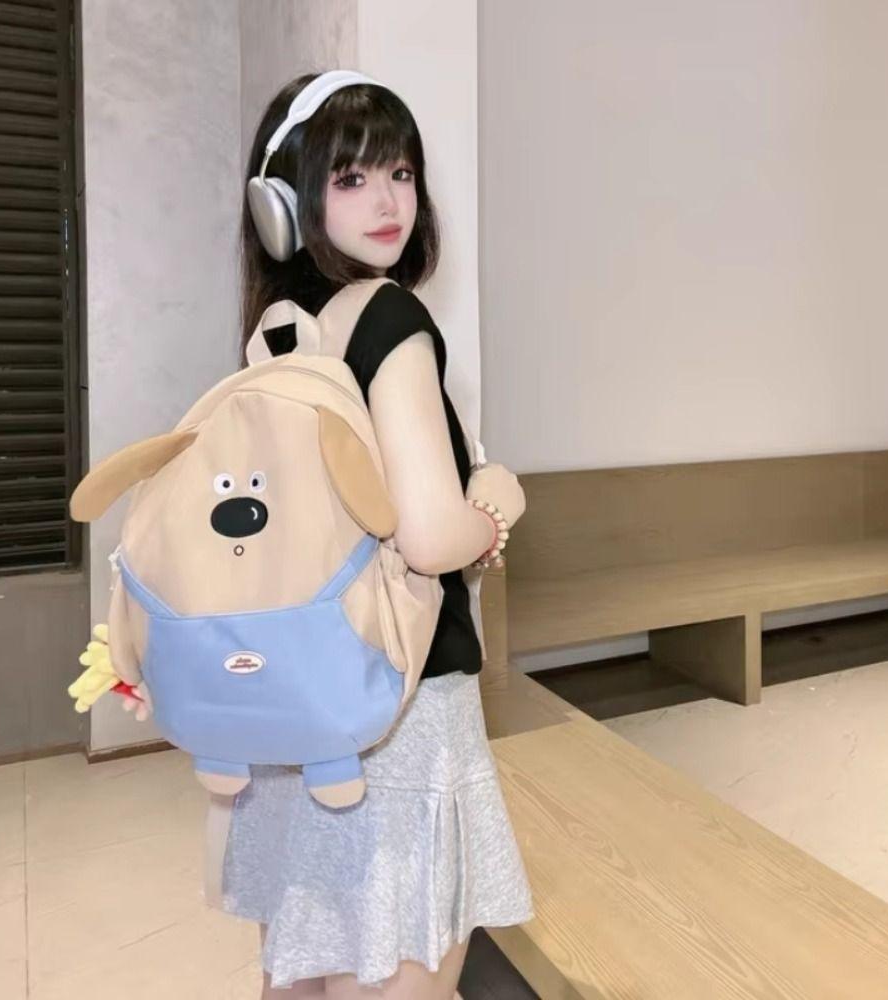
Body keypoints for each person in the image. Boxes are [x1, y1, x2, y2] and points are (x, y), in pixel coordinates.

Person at [221, 71, 535, 998]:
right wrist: (496, 503)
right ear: (285, 201)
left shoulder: (276, 335)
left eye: (400, 172)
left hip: (299, 703)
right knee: (403, 964)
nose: (390, 201)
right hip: (402, 703)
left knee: (306, 964)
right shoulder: (389, 318)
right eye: (351, 178)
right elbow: (431, 538)